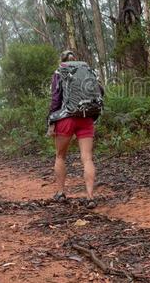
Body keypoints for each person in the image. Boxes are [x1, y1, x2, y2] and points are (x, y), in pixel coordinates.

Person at [47, 50, 102, 209]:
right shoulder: (86, 70)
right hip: (86, 118)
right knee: (87, 158)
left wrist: (51, 119)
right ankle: (90, 197)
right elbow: (100, 92)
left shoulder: (60, 71)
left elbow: (56, 98)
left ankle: (61, 193)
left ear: (61, 60)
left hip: (66, 119)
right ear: (75, 59)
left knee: (60, 156)